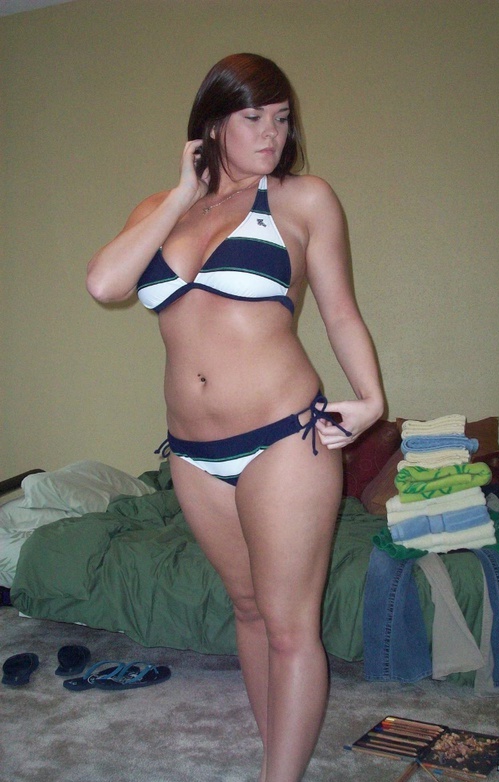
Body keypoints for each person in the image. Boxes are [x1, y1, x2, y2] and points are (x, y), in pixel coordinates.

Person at [86, 53, 384, 782]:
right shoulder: (161, 209)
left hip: (285, 435)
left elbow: (341, 311)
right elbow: (104, 284)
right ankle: (275, 757)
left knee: (289, 625)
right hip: (192, 452)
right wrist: (181, 192)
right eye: (254, 117)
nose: (272, 133)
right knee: (247, 611)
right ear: (214, 123)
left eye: (282, 119)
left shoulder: (303, 199)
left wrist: (372, 399)